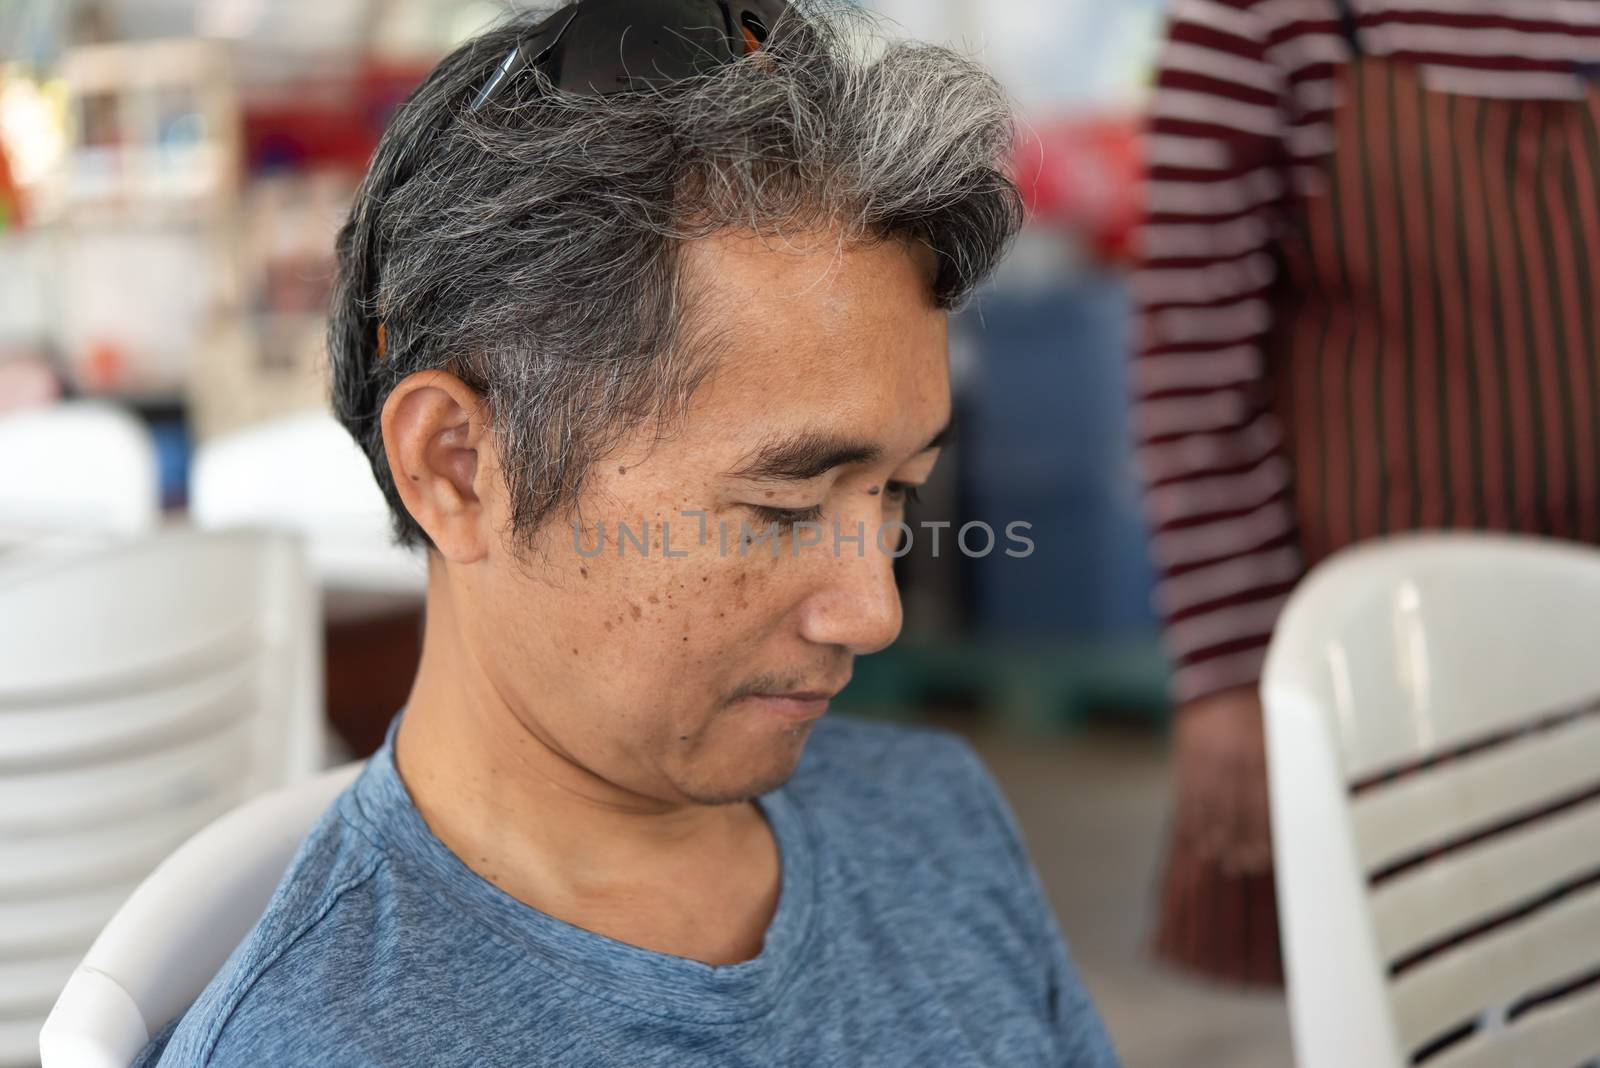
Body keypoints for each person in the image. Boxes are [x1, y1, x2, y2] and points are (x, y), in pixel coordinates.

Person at [133, 2, 1122, 1064]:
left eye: (897, 492)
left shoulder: (936, 824)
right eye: (783, 508)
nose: (873, 611)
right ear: (457, 468)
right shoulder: (320, 1042)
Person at [1135, 0, 1600, 984]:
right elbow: (1192, 375)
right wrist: (1225, 677)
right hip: (1396, 677)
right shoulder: (1262, 24)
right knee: (1435, 991)